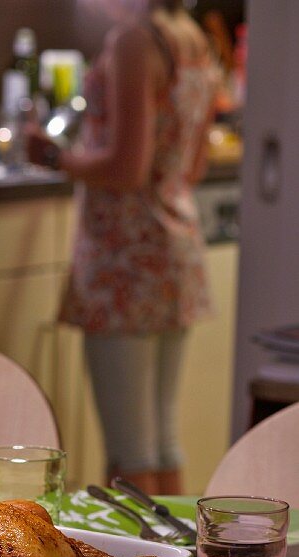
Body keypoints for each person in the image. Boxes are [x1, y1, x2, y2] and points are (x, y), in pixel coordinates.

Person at [28, 0, 218, 495]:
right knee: (160, 443)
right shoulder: (194, 39)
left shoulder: (135, 41)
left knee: (130, 453)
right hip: (173, 249)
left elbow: (127, 168)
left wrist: (54, 156)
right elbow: (192, 167)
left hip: (123, 262)